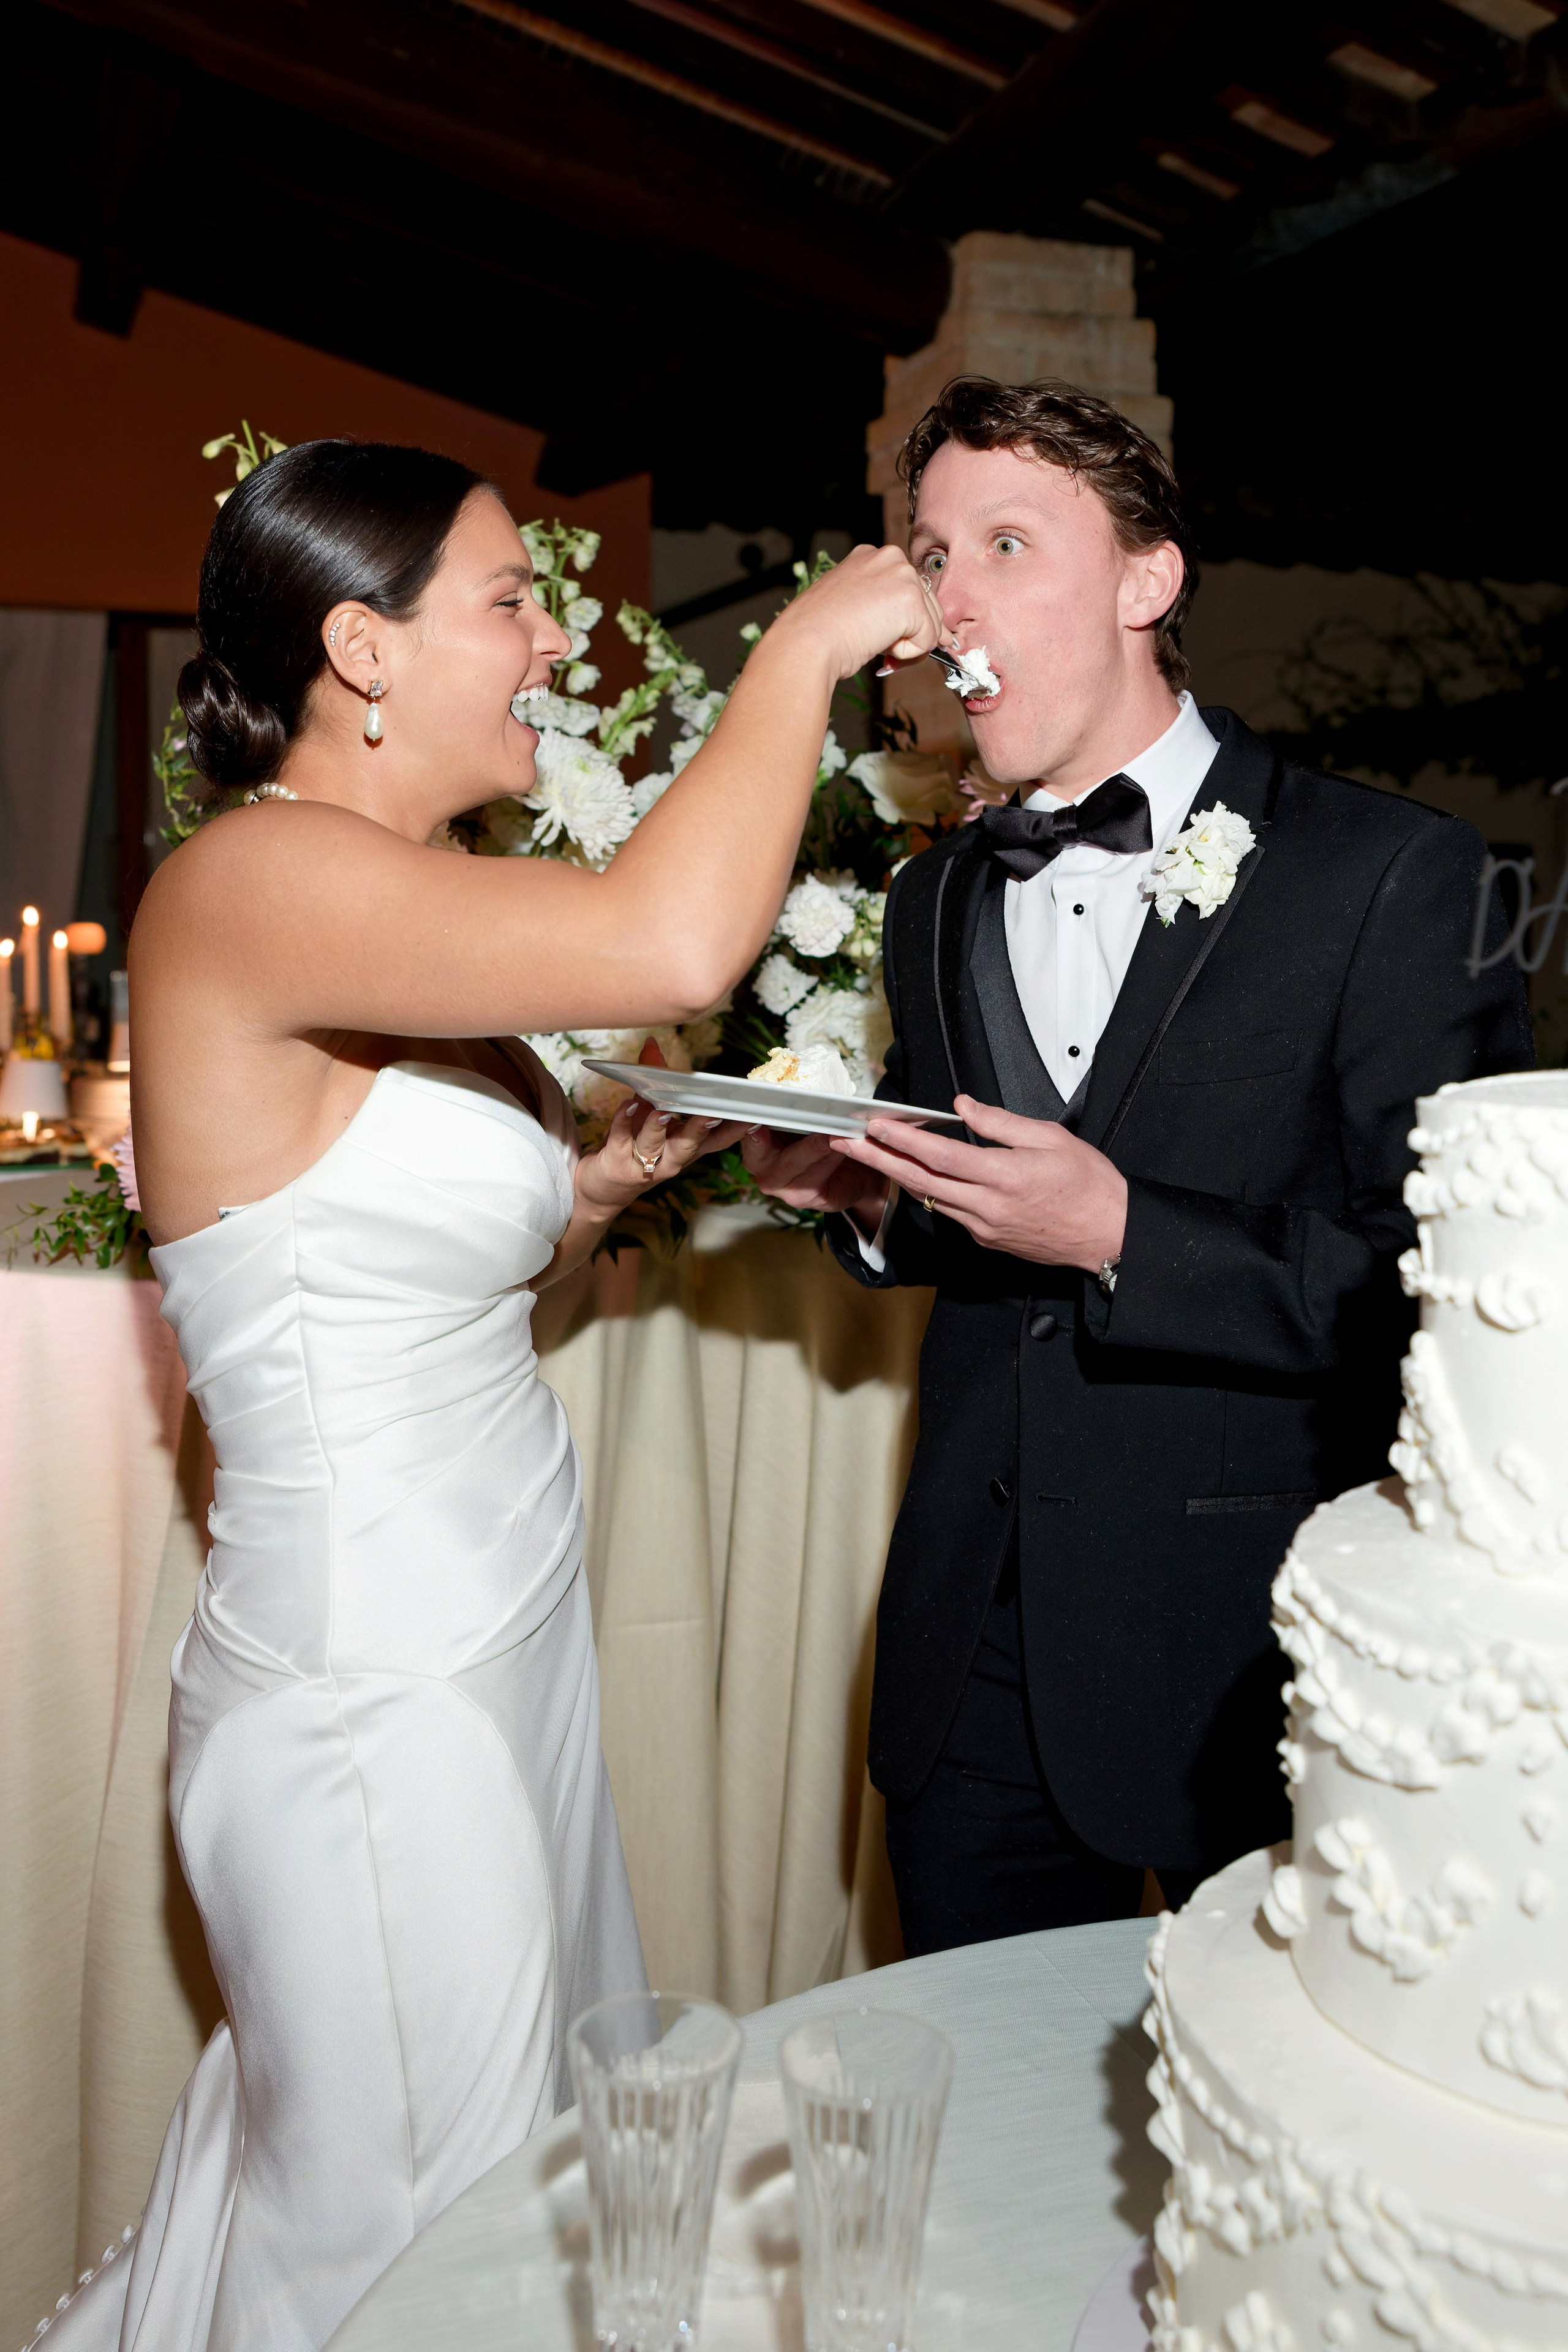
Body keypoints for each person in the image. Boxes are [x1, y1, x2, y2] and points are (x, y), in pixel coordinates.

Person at [45, 440, 937, 2352]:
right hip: (376, 1697)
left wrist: (589, 1187)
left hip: (488, 1650)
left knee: (484, 2189)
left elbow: (381, 1264)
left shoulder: (397, 882)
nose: (552, 648)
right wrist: (803, 655)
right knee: (397, 2247)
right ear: (363, 652)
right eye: (511, 606)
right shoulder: (257, 876)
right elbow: (675, 944)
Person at [745, 377, 1532, 1956]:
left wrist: (1123, 1232)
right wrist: (871, 1206)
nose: (948, 599)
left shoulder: (1395, 875)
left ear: (1145, 582)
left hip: (1253, 1655)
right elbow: (975, 1209)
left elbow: (1451, 1300)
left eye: (1007, 544)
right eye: (932, 553)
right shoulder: (936, 899)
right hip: (968, 1660)